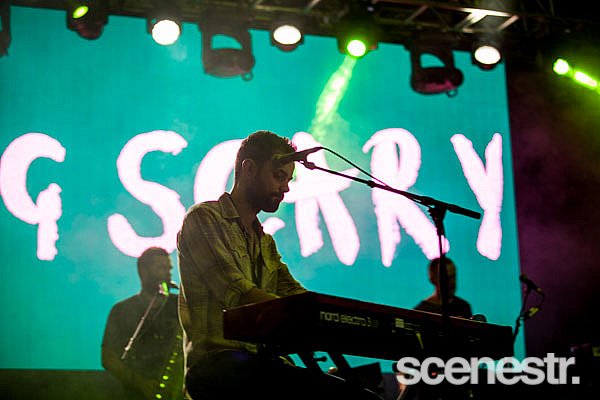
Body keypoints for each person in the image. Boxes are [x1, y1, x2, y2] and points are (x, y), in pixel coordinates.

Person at [177, 130, 381, 400]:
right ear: (249, 169)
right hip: (217, 364)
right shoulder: (204, 218)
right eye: (278, 176)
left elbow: (295, 295)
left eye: (288, 179)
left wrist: (347, 318)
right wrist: (304, 315)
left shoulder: (265, 242)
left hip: (260, 364)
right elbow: (237, 293)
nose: (285, 188)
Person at [101, 247, 185, 400]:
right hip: (134, 393)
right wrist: (139, 382)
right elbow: (108, 357)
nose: (168, 273)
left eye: (169, 268)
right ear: (143, 271)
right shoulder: (121, 310)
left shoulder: (179, 305)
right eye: (161, 268)